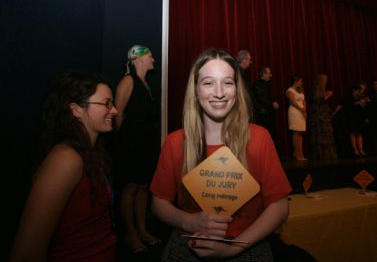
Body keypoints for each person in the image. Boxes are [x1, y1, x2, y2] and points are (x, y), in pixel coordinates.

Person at [150, 49, 292, 261]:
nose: (219, 92)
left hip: (247, 246)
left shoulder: (259, 138)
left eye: (227, 82)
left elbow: (280, 206)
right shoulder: (175, 142)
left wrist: (233, 248)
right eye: (208, 83)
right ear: (196, 91)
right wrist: (190, 222)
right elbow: (158, 203)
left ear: (237, 89)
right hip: (187, 248)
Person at [9, 70, 119, 261]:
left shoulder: (93, 154)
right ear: (76, 109)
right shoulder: (65, 159)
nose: (115, 110)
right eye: (106, 103)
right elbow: (27, 251)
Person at [113, 45, 162, 253]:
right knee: (130, 187)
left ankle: (142, 230)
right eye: (150, 55)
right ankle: (130, 234)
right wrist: (118, 142)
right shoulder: (128, 80)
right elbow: (118, 113)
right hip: (131, 143)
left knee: (143, 186)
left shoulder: (146, 83)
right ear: (139, 58)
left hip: (147, 143)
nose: (153, 58)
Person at [308, 74, 338, 160]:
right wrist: (327, 96)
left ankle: (326, 154)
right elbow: (318, 101)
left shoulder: (322, 89)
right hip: (319, 114)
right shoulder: (317, 88)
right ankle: (321, 154)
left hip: (323, 113)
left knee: (326, 133)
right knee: (321, 132)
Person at [253, 66, 280, 146]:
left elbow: (271, 97)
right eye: (269, 73)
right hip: (262, 115)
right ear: (263, 74)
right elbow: (260, 98)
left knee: (272, 134)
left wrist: (274, 101)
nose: (271, 75)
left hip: (270, 114)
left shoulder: (269, 84)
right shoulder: (257, 84)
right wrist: (272, 103)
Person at [286, 75, 307, 161]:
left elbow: (304, 101)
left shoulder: (300, 90)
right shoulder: (289, 90)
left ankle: (301, 153)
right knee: (296, 132)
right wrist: (302, 110)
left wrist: (304, 110)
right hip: (294, 112)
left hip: (301, 112)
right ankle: (297, 153)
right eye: (300, 81)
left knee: (300, 133)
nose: (301, 83)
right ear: (296, 81)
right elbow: (293, 102)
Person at [236, 49, 255, 119]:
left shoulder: (242, 72)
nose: (250, 62)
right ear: (243, 60)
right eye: (249, 60)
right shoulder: (238, 72)